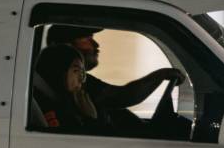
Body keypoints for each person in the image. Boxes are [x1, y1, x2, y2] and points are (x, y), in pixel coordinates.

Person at [46, 25, 185, 118]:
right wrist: (161, 75)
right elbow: (123, 96)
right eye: (86, 39)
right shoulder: (68, 85)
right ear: (66, 47)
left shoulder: (81, 82)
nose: (96, 45)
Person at [32, 44, 103, 131]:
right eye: (76, 71)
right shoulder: (45, 107)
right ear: (58, 72)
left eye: (82, 74)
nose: (81, 80)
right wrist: (91, 119)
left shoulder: (61, 103)